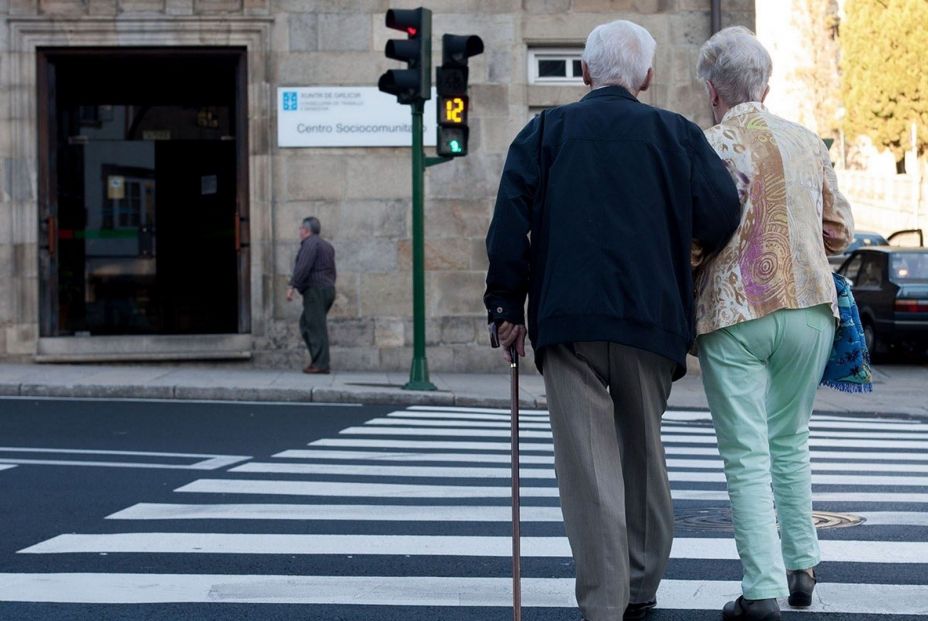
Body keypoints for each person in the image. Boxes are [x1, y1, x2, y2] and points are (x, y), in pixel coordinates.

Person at [484, 19, 741, 621]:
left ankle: (602, 603)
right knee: (642, 451)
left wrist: (506, 308)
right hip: (650, 319)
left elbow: (507, 226)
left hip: (567, 321)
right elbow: (723, 213)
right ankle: (642, 585)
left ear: (584, 73)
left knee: (587, 465)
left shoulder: (544, 131)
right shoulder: (675, 134)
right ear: (647, 77)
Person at [693, 27, 854, 621]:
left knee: (745, 454)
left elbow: (694, 235)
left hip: (735, 311)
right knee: (791, 440)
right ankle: (802, 566)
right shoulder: (809, 141)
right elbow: (838, 229)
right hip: (812, 309)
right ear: (768, 84)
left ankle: (760, 590)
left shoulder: (711, 143)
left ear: (712, 90)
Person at [287, 216, 336, 374]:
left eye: (300, 228)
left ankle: (321, 364)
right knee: (310, 324)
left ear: (306, 230)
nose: (299, 231)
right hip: (327, 289)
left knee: (314, 327)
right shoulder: (326, 245)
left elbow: (303, 267)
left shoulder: (309, 244)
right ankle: (318, 361)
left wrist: (292, 286)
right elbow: (332, 271)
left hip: (315, 290)